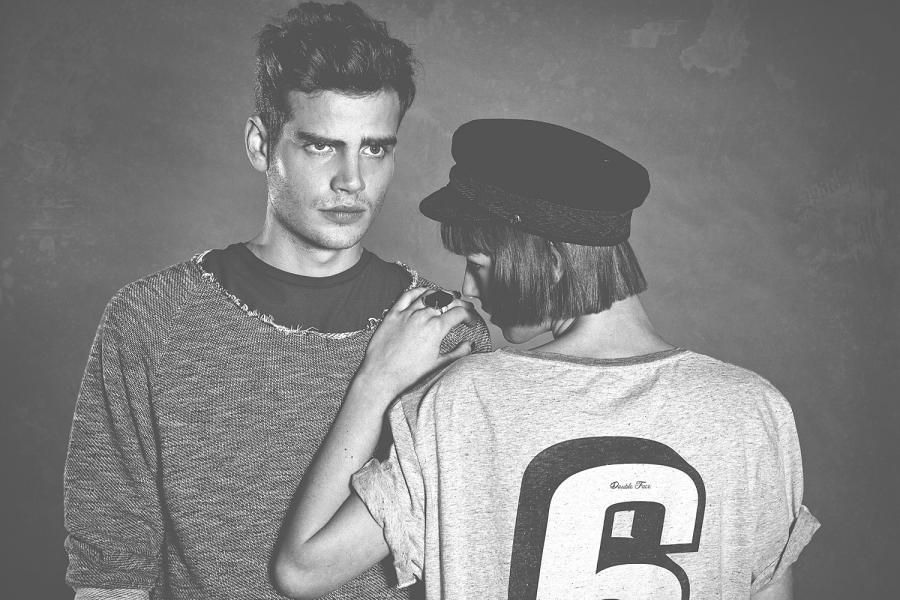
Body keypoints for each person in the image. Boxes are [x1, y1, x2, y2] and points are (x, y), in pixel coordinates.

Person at [272, 119, 820, 599]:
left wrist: (376, 380)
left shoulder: (465, 402)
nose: (468, 288)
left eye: (479, 265)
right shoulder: (754, 411)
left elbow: (301, 570)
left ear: (551, 263)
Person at [62, 3, 491, 599]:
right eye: (321, 146)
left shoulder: (441, 332)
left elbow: (471, 557)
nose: (351, 180)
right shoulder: (151, 320)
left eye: (374, 149)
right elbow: (110, 570)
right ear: (261, 145)